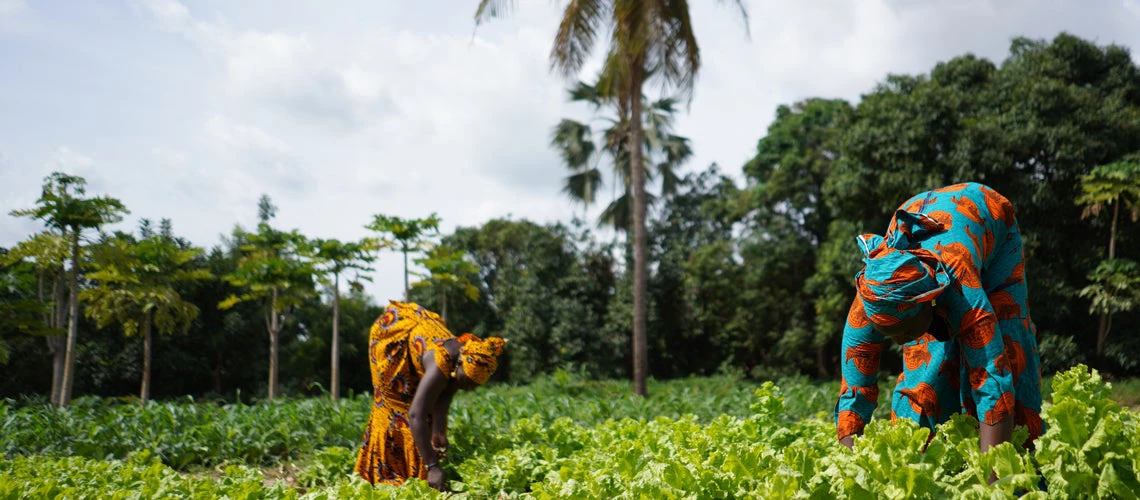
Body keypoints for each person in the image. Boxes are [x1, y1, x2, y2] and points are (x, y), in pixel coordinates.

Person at [834, 182, 1043, 459]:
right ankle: (932, 457)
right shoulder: (870, 301)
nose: (898, 341)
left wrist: (994, 480)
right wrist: (850, 472)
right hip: (920, 223)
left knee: (1007, 344)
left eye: (906, 329)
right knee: (924, 373)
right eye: (888, 333)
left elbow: (991, 375)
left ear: (929, 302)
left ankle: (1022, 458)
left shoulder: (960, 284)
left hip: (989, 219)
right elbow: (854, 393)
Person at [354, 300, 506, 491]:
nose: (466, 388)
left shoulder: (458, 361)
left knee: (423, 414)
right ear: (459, 364)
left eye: (472, 386)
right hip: (392, 337)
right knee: (398, 409)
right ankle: (387, 473)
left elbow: (447, 389)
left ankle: (418, 470)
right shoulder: (438, 365)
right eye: (465, 382)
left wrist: (438, 430)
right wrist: (433, 467)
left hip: (416, 341)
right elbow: (415, 415)